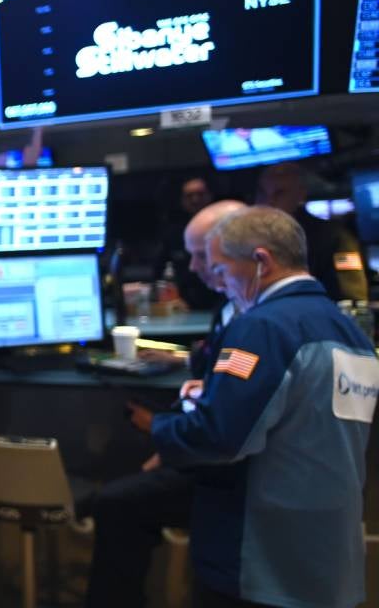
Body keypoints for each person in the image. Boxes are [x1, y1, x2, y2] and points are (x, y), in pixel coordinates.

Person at [152, 206, 376, 607]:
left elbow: (219, 439)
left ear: (261, 261)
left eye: (222, 271)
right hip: (330, 552)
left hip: (263, 556)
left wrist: (161, 427)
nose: (221, 285)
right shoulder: (352, 332)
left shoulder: (263, 326)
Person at [84, 200, 245, 608]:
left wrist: (159, 430)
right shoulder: (233, 306)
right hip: (207, 456)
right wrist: (185, 360)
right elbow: (217, 367)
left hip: (227, 476)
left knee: (114, 503)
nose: (191, 267)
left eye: (198, 255)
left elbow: (226, 426)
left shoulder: (251, 317)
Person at [257, 162, 368, 302]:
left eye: (279, 193)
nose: (269, 201)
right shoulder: (250, 239)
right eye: (262, 193)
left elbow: (352, 299)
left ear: (300, 194)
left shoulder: (333, 236)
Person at [163, 176, 223, 311]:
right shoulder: (173, 234)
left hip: (220, 300)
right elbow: (160, 271)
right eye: (189, 196)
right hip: (186, 305)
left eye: (200, 194)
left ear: (209, 196)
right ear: (182, 201)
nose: (195, 200)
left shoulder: (225, 229)